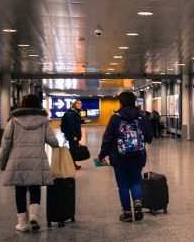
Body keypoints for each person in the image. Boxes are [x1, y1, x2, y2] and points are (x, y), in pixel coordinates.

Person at [0, 94, 59, 232]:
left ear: (23, 104)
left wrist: (2, 161)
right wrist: (57, 145)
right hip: (36, 159)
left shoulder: (14, 119)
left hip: (18, 160)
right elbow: (53, 141)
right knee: (35, 188)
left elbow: (6, 142)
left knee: (20, 190)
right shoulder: (43, 120)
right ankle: (34, 217)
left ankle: (23, 224)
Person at [97, 92, 154, 223]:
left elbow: (108, 139)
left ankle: (127, 213)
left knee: (123, 185)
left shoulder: (116, 118)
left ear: (121, 102)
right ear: (134, 101)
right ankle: (138, 202)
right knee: (135, 181)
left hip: (119, 157)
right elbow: (149, 137)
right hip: (138, 155)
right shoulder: (141, 116)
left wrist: (102, 155)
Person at [61, 99, 84, 170]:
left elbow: (75, 122)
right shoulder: (71, 113)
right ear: (75, 104)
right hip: (72, 135)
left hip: (73, 135)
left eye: (81, 103)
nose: (80, 105)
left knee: (73, 149)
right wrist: (73, 136)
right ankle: (72, 165)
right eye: (78, 103)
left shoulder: (75, 112)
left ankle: (73, 164)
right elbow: (71, 125)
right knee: (73, 150)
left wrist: (82, 121)